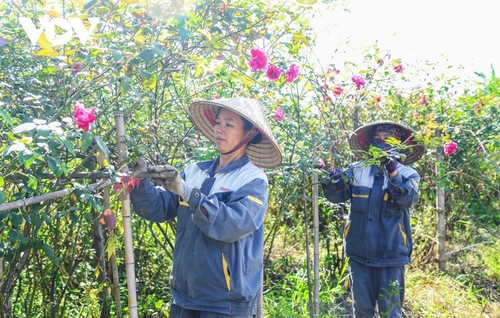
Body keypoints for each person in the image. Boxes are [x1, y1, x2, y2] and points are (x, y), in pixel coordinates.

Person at [129, 98, 282, 318]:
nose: (220, 129)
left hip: (225, 303)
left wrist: (189, 193)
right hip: (185, 295)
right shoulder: (194, 171)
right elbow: (158, 208)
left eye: (229, 125)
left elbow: (232, 224)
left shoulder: (253, 180)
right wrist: (141, 179)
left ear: (249, 134)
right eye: (218, 122)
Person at [321, 121, 425, 318]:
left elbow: (407, 199)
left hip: (390, 256)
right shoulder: (357, 170)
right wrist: (331, 178)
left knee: (391, 312)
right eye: (377, 140)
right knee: (362, 311)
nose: (381, 143)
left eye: (387, 140)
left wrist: (392, 171)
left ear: (399, 146)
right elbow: (336, 195)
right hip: (359, 255)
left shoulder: (408, 174)